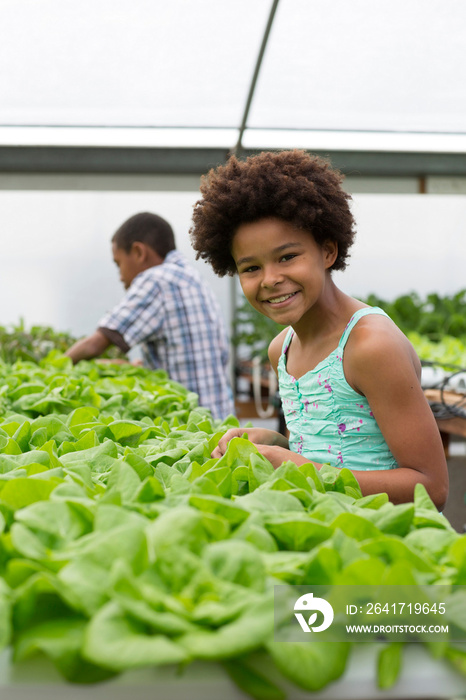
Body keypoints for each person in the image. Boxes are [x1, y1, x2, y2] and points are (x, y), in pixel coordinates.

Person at [189, 150, 448, 509]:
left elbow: (431, 488)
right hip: (324, 533)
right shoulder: (282, 349)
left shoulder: (370, 346)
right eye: (250, 268)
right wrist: (275, 444)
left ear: (327, 252)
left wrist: (301, 468)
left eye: (287, 257)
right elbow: (326, 450)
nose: (271, 279)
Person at [66, 212, 235, 421]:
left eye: (119, 264)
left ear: (138, 252)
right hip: (220, 420)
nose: (120, 276)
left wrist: (56, 368)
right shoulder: (190, 277)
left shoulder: (156, 280)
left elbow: (96, 344)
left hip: (192, 426)